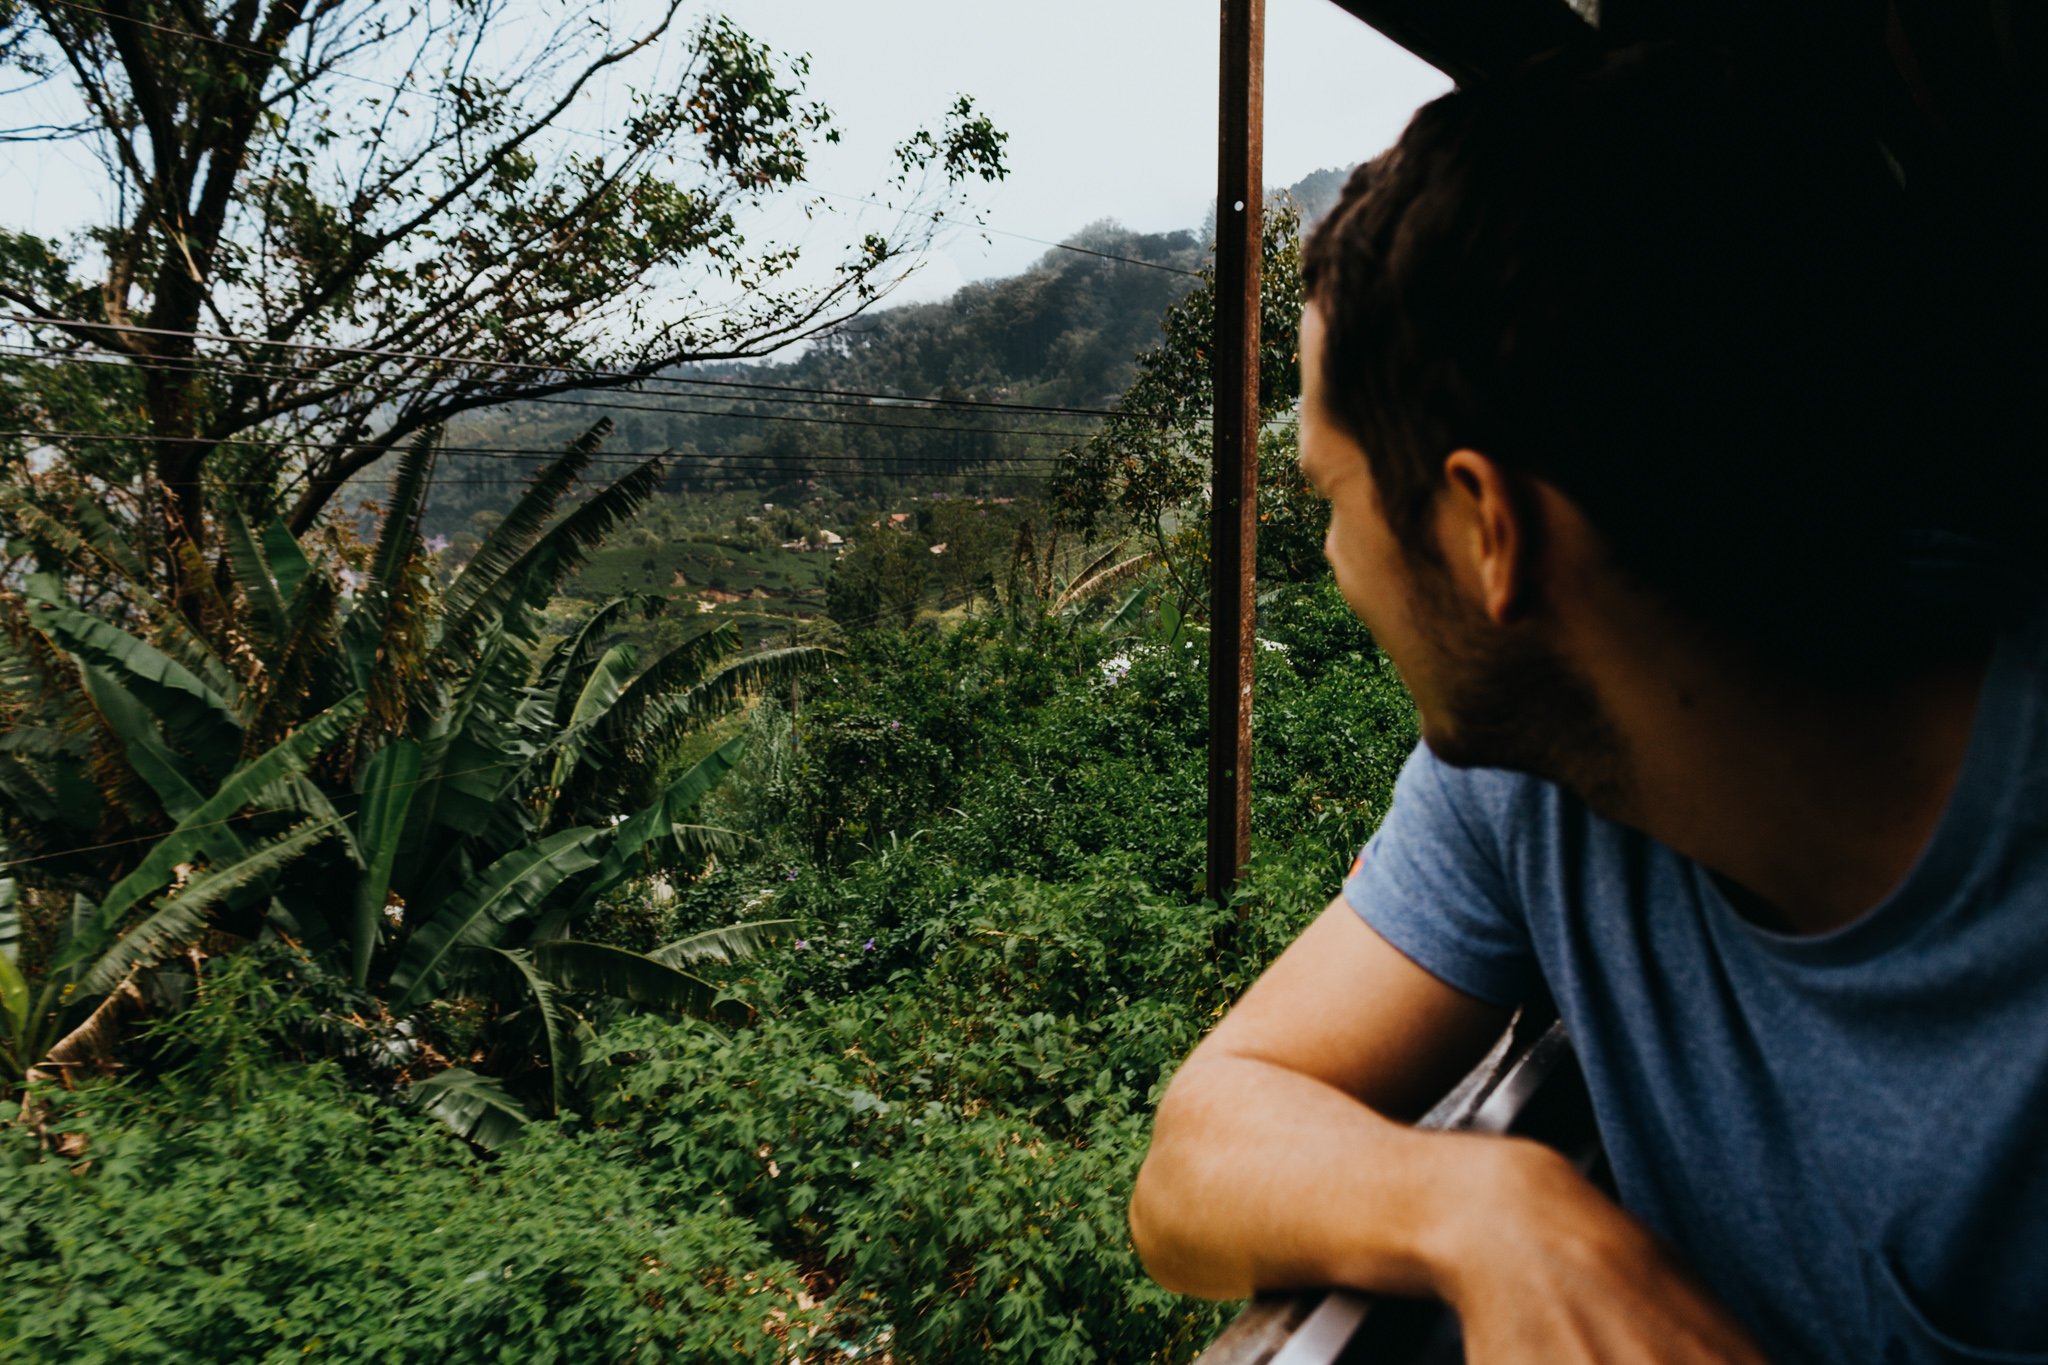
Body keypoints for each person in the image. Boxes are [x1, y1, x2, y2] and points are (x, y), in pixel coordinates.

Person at [1128, 42, 2047, 1365]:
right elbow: (1194, 1156)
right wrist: (1487, 1205)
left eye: (1333, 499)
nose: (1331, 569)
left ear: (1485, 527)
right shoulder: (1536, 774)